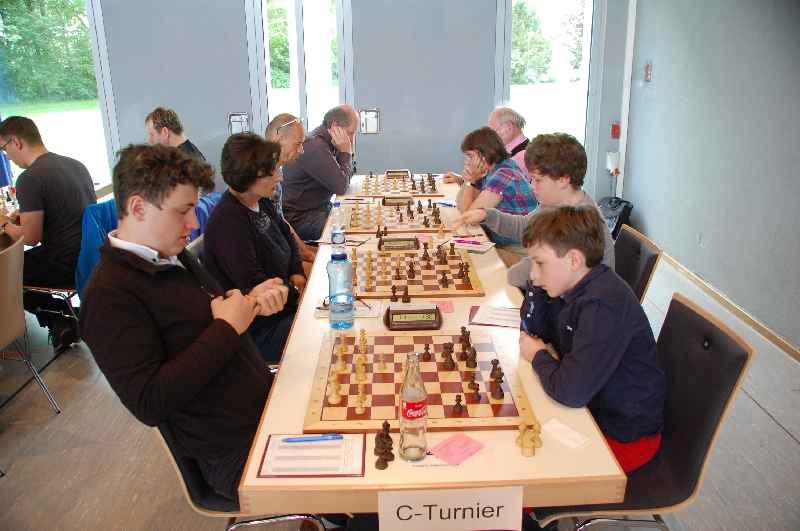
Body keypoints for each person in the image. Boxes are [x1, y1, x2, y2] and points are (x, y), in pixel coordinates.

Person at [79, 144, 289, 502]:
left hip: (264, 410)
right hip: (233, 450)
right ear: (138, 208)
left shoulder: (170, 256)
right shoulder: (108, 296)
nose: (193, 224)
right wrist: (227, 329)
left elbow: (207, 322)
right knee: (373, 485)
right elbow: (149, 401)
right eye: (182, 211)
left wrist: (251, 303)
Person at [519, 205, 665, 476]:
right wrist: (535, 288)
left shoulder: (602, 305)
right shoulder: (568, 286)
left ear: (574, 260)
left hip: (623, 436)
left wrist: (539, 356)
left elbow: (570, 392)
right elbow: (533, 331)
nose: (533, 274)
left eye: (540, 263)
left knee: (527, 471)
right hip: (592, 407)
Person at [455, 133, 613, 287]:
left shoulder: (578, 221)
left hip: (575, 300)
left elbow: (523, 274)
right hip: (552, 289)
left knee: (483, 269)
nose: (532, 186)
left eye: (538, 180)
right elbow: (526, 227)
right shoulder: (554, 203)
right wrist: (487, 215)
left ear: (563, 180)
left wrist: (506, 275)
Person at [203, 133, 305, 363]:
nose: (279, 177)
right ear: (248, 176)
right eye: (271, 172)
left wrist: (297, 272)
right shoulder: (228, 222)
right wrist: (297, 292)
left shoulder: (261, 201)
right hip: (261, 330)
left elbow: (288, 237)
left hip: (285, 307)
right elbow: (257, 287)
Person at [0, 116, 96, 350]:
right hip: (91, 254)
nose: (7, 157)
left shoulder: (29, 178)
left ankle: (61, 317)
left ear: (16, 142)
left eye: (4, 149)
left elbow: (31, 238)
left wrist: (4, 224)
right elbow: (62, 211)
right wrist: (24, 216)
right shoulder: (75, 164)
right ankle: (63, 320)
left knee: (5, 272)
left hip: (64, 262)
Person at [282, 105, 357, 241]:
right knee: (353, 231)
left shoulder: (329, 142)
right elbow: (341, 187)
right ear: (335, 126)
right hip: (300, 218)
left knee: (357, 216)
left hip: (318, 210)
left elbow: (348, 177)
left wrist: (346, 152)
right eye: (351, 133)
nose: (351, 140)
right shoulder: (315, 146)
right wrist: (346, 152)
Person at [454, 127, 537, 245]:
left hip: (518, 247)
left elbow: (468, 217)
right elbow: (461, 206)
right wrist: (469, 181)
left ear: (486, 153)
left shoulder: (504, 174)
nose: (466, 161)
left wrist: (470, 181)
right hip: (502, 240)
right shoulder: (491, 170)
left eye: (470, 156)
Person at [265, 113, 317, 264]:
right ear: (278, 137)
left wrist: (305, 251)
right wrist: (303, 256)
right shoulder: (262, 177)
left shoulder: (276, 169)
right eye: (298, 144)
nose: (301, 150)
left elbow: (280, 220)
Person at [488, 107, 529, 177]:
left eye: (493, 131)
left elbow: (497, 182)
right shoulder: (507, 153)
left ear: (509, 127)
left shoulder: (522, 157)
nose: (491, 137)